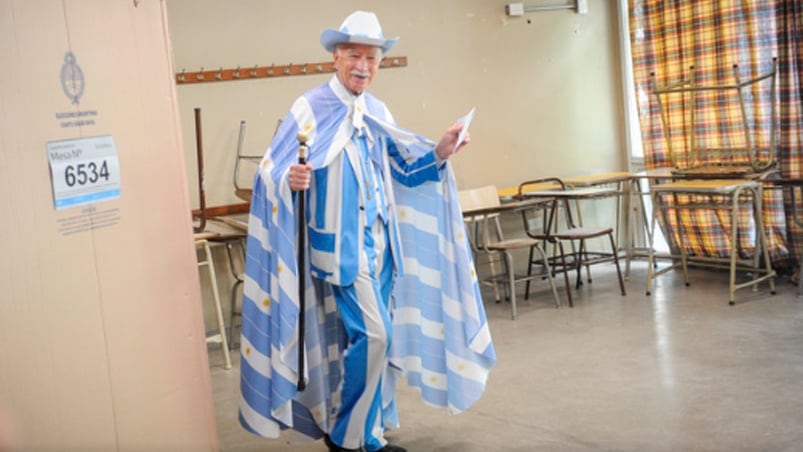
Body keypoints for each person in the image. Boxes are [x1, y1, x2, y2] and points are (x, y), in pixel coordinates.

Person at [239, 11, 496, 452]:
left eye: (372, 58)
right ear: (336, 58)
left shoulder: (376, 111)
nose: (363, 65)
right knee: (377, 337)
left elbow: (403, 171)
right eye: (354, 55)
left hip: (382, 250)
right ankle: (348, 438)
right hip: (340, 253)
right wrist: (290, 181)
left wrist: (439, 151)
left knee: (369, 344)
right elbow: (272, 172)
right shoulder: (310, 108)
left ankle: (368, 434)